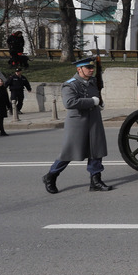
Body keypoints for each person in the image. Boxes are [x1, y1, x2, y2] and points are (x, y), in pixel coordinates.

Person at [41, 57, 113, 193]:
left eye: (92, 68)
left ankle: (95, 180)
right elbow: (70, 103)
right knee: (69, 152)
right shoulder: (70, 84)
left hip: (94, 120)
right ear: (79, 69)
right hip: (78, 122)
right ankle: (51, 176)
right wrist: (92, 101)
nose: (91, 70)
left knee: (96, 151)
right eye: (88, 68)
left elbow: (97, 95)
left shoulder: (93, 82)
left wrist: (100, 102)